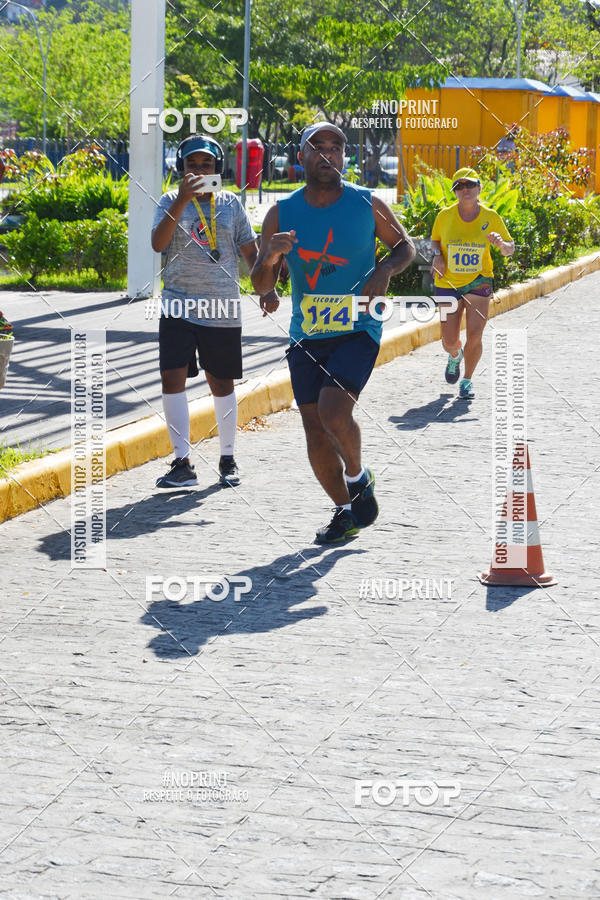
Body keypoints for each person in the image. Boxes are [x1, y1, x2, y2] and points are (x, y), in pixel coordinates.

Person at [252, 123, 415, 544]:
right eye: (317, 147)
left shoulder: (367, 203)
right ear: (301, 156)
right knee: (313, 428)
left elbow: (405, 247)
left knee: (333, 411)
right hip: (306, 332)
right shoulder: (281, 212)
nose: (327, 154)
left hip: (358, 326)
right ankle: (346, 512)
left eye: (336, 148)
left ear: (345, 157)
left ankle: (359, 478)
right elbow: (259, 282)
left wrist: (384, 269)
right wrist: (270, 256)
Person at [151, 134, 278, 488]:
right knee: (171, 378)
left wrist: (266, 288)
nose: (199, 170)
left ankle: (227, 458)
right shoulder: (167, 200)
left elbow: (250, 253)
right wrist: (181, 201)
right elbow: (157, 244)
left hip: (221, 306)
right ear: (181, 168)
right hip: (178, 303)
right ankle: (181, 463)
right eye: (192, 164)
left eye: (206, 164)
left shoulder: (230, 204)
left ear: (217, 168)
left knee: (221, 382)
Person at [431, 167, 514, 400]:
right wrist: (437, 256)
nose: (465, 190)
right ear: (455, 192)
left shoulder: (491, 217)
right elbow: (435, 240)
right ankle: (455, 356)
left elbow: (510, 249)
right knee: (449, 341)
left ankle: (466, 381)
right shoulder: (444, 216)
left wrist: (501, 245)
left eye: (470, 185)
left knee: (475, 334)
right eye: (460, 186)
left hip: (479, 281)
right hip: (448, 282)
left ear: (479, 188)